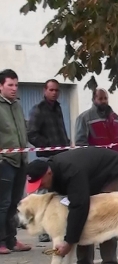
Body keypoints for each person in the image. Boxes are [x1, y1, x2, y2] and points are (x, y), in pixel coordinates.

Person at [24, 147, 118, 264]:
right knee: (81, 219)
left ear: (49, 173)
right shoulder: (55, 175)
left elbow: (79, 206)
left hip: (111, 170)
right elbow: (75, 210)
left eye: (40, 183)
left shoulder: (71, 172)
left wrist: (69, 242)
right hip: (89, 176)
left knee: (102, 216)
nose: (40, 187)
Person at [27, 78, 71, 243]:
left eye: (56, 90)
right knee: (43, 194)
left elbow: (61, 129)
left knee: (59, 194)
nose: (54, 93)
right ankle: (42, 230)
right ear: (44, 91)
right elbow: (31, 134)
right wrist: (47, 145)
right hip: (46, 158)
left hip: (62, 156)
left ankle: (57, 225)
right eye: (51, 90)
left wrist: (66, 144)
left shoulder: (58, 108)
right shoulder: (38, 110)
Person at [0, 69, 31, 255]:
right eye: (10, 85)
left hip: (20, 160)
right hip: (5, 162)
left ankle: (11, 239)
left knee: (15, 203)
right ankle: (1, 241)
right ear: (1, 86)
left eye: (16, 85)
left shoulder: (17, 106)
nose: (14, 89)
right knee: (2, 203)